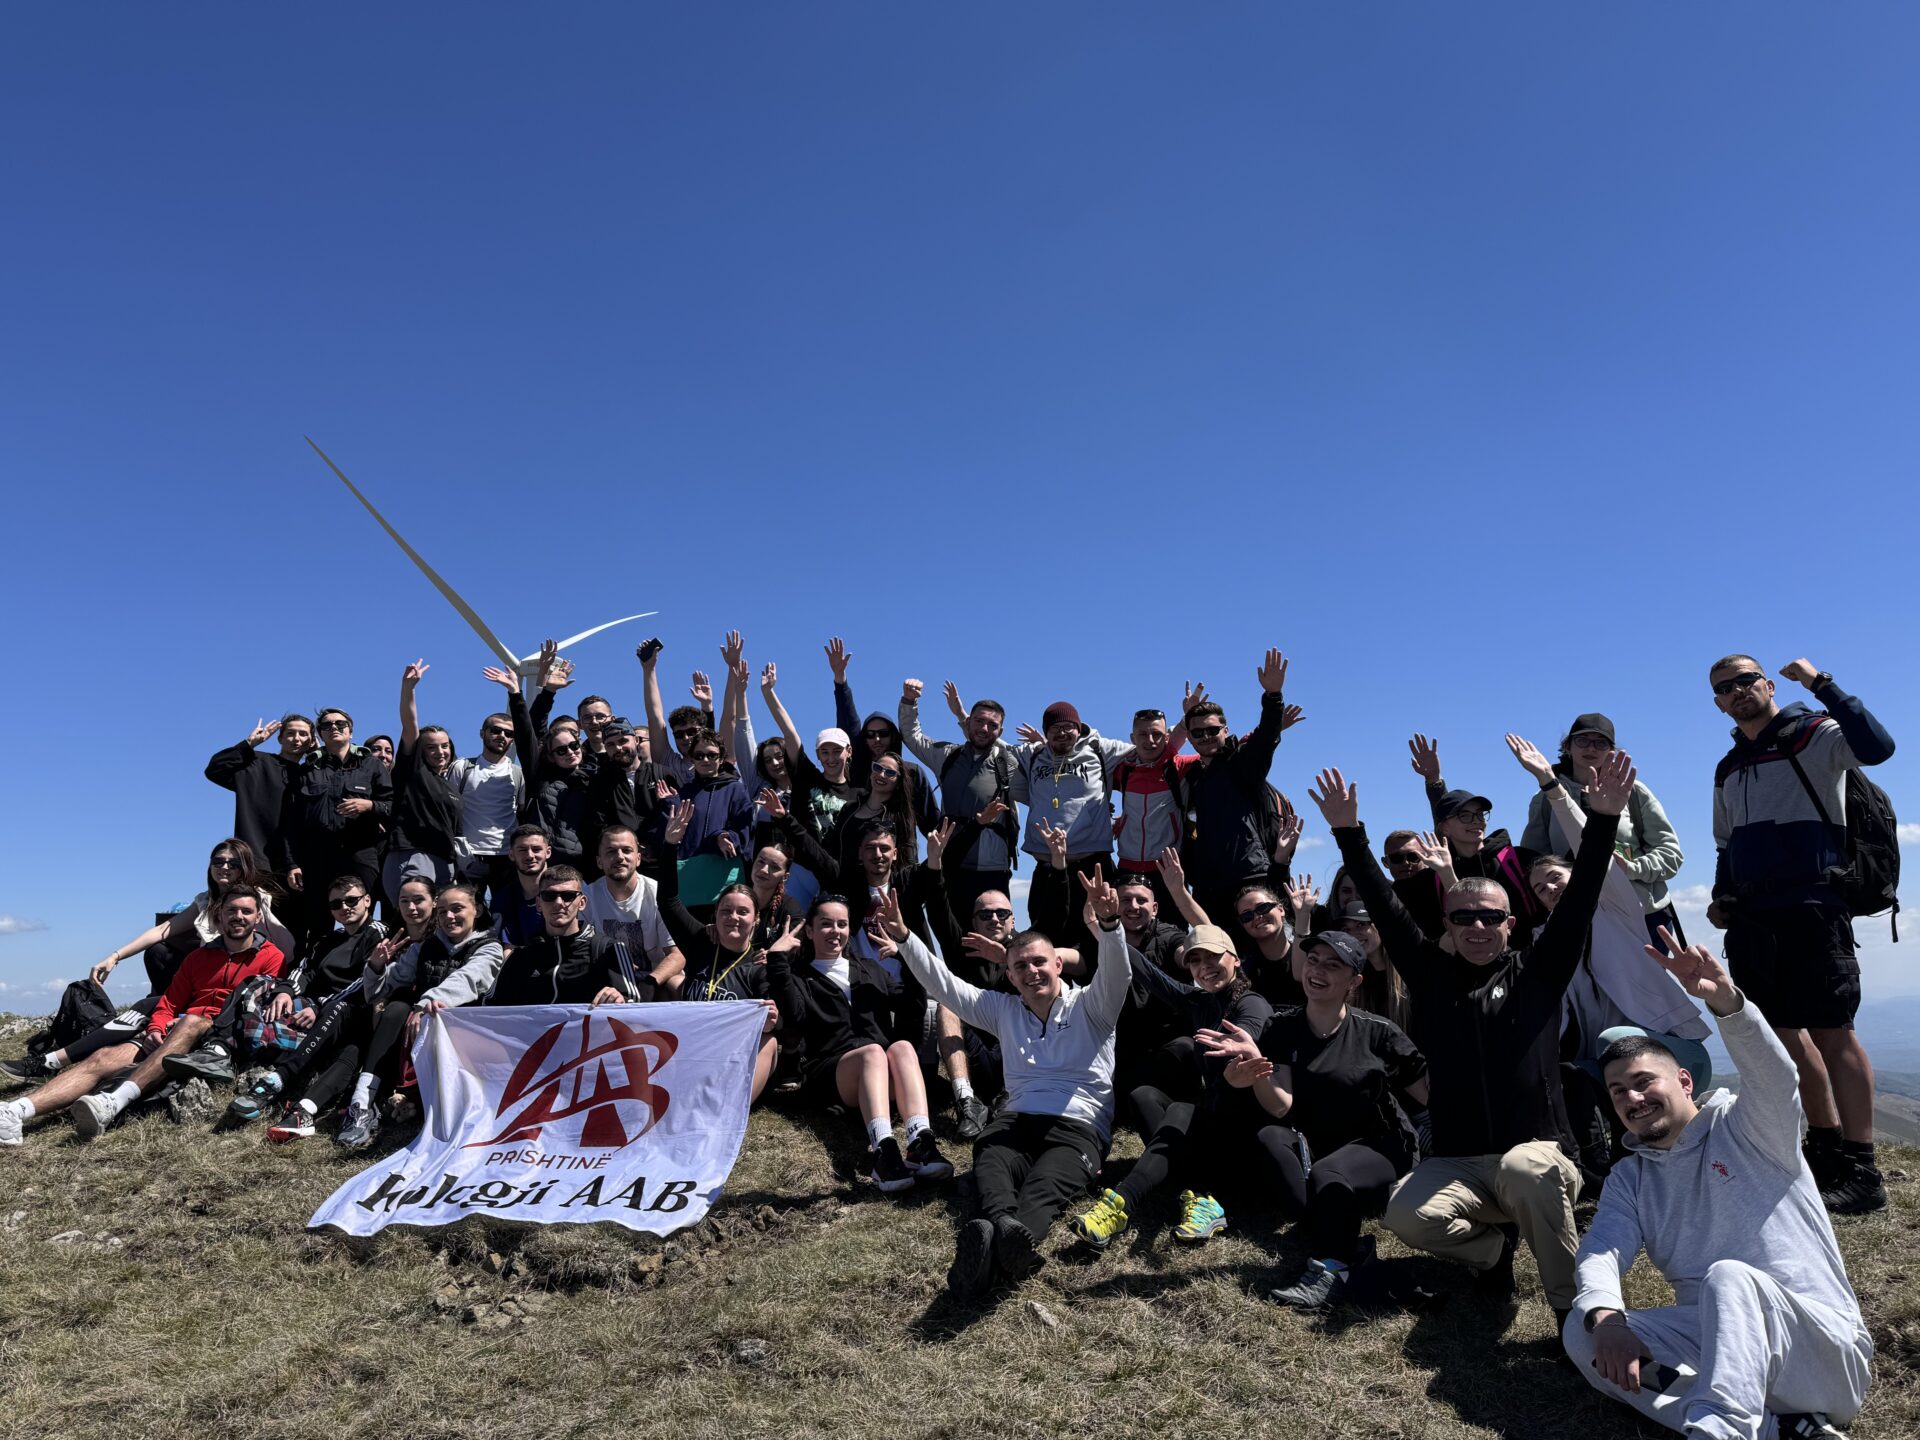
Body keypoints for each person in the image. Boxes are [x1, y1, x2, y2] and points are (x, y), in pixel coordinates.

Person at [1312, 750, 1635, 1325]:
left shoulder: (1539, 972)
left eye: (1490, 917)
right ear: (1447, 925)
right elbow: (1385, 906)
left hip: (1539, 1154)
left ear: (1510, 924)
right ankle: (1491, 1255)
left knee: (1526, 1173)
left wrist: (1604, 819)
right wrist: (1348, 835)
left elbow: (1583, 892)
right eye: (1463, 918)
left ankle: (1574, 1312)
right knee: (1404, 1215)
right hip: (1461, 1159)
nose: (1477, 927)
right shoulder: (1431, 976)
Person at [1565, 932, 1873, 1440]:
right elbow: (1601, 1250)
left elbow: (1776, 1077)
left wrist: (1728, 1004)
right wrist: (1607, 1318)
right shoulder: (1631, 1178)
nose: (1632, 1098)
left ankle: (1721, 1429)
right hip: (1718, 1346)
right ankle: (1778, 1430)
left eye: (1644, 1081)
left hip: (1820, 1353)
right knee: (1584, 1333)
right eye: (1618, 1091)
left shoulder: (1748, 1127)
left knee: (1728, 1277)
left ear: (1685, 1082)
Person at [885, 870, 1135, 1299]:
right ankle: (1001, 1227)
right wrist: (907, 939)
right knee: (992, 1156)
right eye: (1020, 966)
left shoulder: (1093, 1006)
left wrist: (1111, 927)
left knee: (1043, 1187)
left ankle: (1001, 1249)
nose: (1031, 972)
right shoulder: (1004, 1010)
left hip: (1079, 1127)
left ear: (1058, 965)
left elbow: (1118, 975)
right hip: (1017, 1120)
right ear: (1011, 976)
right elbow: (946, 986)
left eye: (1039, 962)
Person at [1707, 655, 1896, 1215]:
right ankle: (1826, 1147)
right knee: (1785, 1037)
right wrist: (1722, 895)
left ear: (1767, 684)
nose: (1737, 691)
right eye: (1724, 688)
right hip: (1753, 918)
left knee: (1833, 1032)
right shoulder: (1728, 766)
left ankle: (1863, 1170)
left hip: (1814, 906)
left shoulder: (1815, 735)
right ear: (1718, 703)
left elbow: (1878, 747)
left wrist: (1821, 683)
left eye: (1746, 680)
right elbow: (1726, 843)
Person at [1200, 928, 1429, 1311]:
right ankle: (1349, 1241)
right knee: (1271, 1139)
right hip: (1322, 1148)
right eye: (1313, 960)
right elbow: (1280, 1106)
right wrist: (1254, 1072)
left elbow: (1429, 1095)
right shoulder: (1282, 1028)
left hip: (1382, 1146)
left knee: (1327, 1174)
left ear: (1354, 981)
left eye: (1333, 965)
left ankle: (1331, 1270)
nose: (1318, 970)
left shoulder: (1378, 1033)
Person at [0, 889, 284, 1144]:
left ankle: (113, 1102)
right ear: (219, 916)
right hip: (177, 1029)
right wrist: (156, 1028)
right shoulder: (198, 958)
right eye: (231, 910)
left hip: (220, 1037)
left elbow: (253, 1007)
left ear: (258, 917)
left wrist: (191, 1021)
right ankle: (15, 1112)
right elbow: (169, 1001)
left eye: (246, 911)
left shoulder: (272, 957)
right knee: (104, 1057)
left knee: (190, 1021)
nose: (238, 917)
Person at [1070, 922, 1274, 1253]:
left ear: (1235, 959)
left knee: (1181, 1110)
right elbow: (1149, 973)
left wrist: (1240, 1046)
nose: (1204, 967)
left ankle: (1120, 1204)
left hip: (1244, 1135)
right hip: (1214, 1120)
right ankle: (1198, 1193)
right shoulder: (1200, 1001)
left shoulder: (1252, 1004)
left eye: (1213, 957)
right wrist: (1108, 928)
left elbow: (1249, 1034)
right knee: (1143, 1096)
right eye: (1195, 961)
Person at [764, 892, 952, 1193]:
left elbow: (913, 1006)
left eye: (842, 924)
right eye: (826, 924)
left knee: (901, 1047)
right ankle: (883, 1151)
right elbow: (795, 1017)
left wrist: (904, 958)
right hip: (832, 1074)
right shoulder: (799, 975)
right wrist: (777, 959)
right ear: (810, 931)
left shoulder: (870, 969)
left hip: (878, 1073)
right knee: (873, 1053)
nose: (835, 931)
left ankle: (921, 1143)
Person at [319, 880, 503, 1149]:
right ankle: (363, 1103)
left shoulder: (489, 947)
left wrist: (423, 1004)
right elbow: (379, 990)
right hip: (422, 1035)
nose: (449, 916)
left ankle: (406, 1099)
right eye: (442, 911)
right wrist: (376, 966)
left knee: (407, 1012)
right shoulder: (425, 947)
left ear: (476, 909)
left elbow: (468, 979)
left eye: (457, 909)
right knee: (395, 1009)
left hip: (464, 1043)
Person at [227, 873, 386, 1125]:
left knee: (337, 1007)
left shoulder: (378, 934)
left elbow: (364, 982)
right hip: (315, 1007)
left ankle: (277, 1079)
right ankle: (223, 1048)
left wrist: (318, 1006)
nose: (344, 907)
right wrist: (286, 991)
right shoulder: (329, 939)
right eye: (336, 903)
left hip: (353, 1012)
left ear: (367, 901)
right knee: (259, 983)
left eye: (352, 900)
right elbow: (305, 970)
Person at [1521, 713, 1685, 938]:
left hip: (1643, 914)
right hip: (1577, 919)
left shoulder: (1634, 791)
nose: (1591, 748)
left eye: (1601, 742)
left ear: (1612, 751)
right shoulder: (1545, 799)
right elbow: (1533, 862)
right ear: (1567, 746)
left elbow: (1670, 853)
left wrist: (1631, 868)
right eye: (1582, 740)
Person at [1179, 648, 1292, 935]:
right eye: (1197, 733)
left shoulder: (1242, 763)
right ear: (1188, 737)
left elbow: (1265, 737)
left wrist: (1273, 696)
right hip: (1208, 888)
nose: (1205, 736)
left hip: (1250, 880)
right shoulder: (1191, 776)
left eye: (1212, 730)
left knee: (1262, 951)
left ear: (1225, 730)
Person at [898, 677, 1024, 919]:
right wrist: (909, 702)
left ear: (1000, 732)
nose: (984, 729)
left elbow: (1042, 793)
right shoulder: (948, 756)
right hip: (950, 864)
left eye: (992, 725)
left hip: (992, 870)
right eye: (979, 721)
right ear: (968, 723)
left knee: (993, 934)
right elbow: (913, 737)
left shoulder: (1009, 765)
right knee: (951, 934)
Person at [1405, 732, 1547, 945]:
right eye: (1465, 815)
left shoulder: (1520, 860)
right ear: (1444, 827)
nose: (1476, 821)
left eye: (1480, 814)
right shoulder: (1435, 878)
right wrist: (1433, 781)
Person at [284, 708, 393, 946]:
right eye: (327, 725)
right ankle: (317, 966)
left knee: (362, 919)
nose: (334, 728)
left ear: (350, 731)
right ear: (320, 734)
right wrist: (292, 863)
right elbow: (291, 823)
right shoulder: (307, 770)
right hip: (318, 859)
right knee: (318, 924)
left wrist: (369, 805)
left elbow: (393, 807)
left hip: (360, 854)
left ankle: (365, 965)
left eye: (340, 724)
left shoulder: (371, 765)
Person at [1156, 847, 1311, 1009]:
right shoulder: (1241, 958)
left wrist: (1303, 916)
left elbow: (1301, 973)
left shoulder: (1309, 952)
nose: (1257, 916)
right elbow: (1204, 927)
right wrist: (1178, 891)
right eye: (1247, 915)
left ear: (1281, 909)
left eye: (1263, 908)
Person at [492, 646, 594, 876]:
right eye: (561, 750)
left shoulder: (593, 777)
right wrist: (530, 693)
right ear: (550, 755)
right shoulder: (541, 775)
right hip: (543, 865)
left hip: (583, 867)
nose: (570, 752)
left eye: (574, 745)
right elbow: (529, 732)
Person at [384, 660, 462, 907]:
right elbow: (410, 726)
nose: (440, 752)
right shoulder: (413, 770)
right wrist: (409, 688)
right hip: (413, 855)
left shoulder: (450, 786)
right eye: (431, 747)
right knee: (414, 918)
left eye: (444, 745)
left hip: (445, 862)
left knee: (439, 922)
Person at [203, 714, 311, 881]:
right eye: (290, 733)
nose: (296, 738)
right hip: (256, 862)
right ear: (280, 738)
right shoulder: (256, 762)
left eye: (303, 734)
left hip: (298, 866)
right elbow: (215, 770)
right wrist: (249, 744)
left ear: (311, 741)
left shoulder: (312, 775)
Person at [447, 702, 523, 891]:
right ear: (482, 733)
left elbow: (521, 811)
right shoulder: (462, 767)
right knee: (467, 907)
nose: (502, 736)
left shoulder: (517, 774)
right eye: (496, 730)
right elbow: (448, 809)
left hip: (506, 856)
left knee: (504, 908)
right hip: (469, 855)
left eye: (509, 733)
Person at [492, 823, 555, 950]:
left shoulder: (566, 892)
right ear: (511, 855)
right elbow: (508, 948)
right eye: (522, 850)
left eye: (536, 849)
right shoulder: (503, 899)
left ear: (548, 852)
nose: (530, 855)